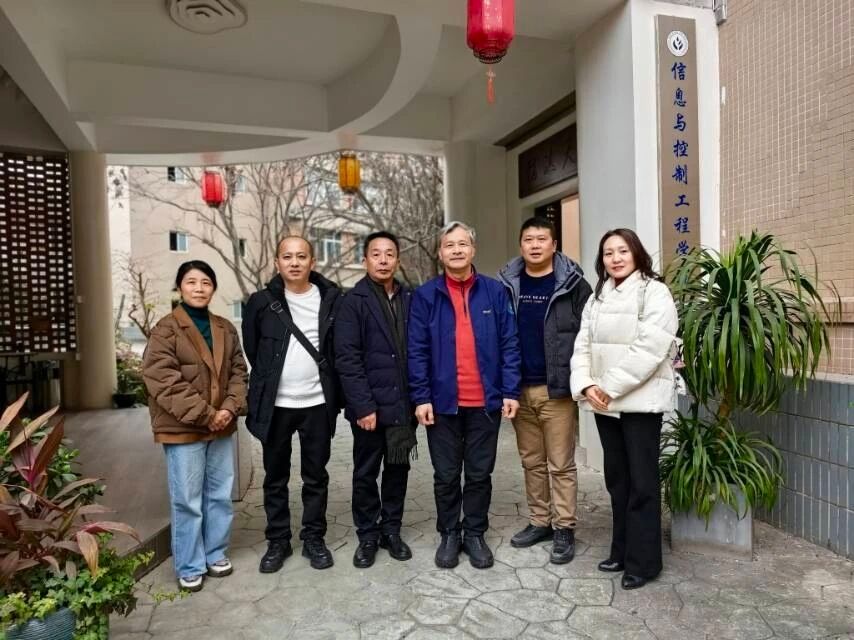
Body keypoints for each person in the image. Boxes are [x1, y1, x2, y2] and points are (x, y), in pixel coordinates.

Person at [409, 221, 521, 570]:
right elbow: (417, 350)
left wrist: (510, 390)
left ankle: (474, 533)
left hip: (485, 403)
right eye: (449, 245)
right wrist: (421, 397)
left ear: (473, 250)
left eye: (462, 244)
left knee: (478, 474)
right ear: (440, 253)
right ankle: (449, 533)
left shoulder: (495, 292)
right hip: (442, 405)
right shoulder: (426, 295)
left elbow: (510, 343)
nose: (456, 250)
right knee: (445, 475)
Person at [570, 228, 678, 590]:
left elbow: (650, 348)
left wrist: (607, 387)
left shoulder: (655, 292)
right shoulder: (598, 296)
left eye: (622, 251)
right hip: (605, 403)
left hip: (639, 404)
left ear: (637, 253)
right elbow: (582, 345)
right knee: (618, 480)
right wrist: (586, 384)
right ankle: (621, 550)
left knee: (642, 482)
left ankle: (644, 562)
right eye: (608, 253)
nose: (615, 258)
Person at [142, 260, 248, 592]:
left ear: (213, 288)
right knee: (187, 499)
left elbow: (239, 372)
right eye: (191, 282)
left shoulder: (225, 327)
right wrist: (206, 414)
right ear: (179, 287)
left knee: (219, 494)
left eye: (205, 282)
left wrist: (229, 408)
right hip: (183, 428)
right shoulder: (165, 329)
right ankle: (189, 564)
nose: (199, 288)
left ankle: (215, 553)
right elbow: (162, 379)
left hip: (221, 425)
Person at [242, 236, 342, 572]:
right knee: (275, 477)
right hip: (276, 406)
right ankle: (278, 541)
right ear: (277, 262)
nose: (294, 262)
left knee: (315, 476)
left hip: (317, 403)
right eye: (287, 256)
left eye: (301, 256)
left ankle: (314, 538)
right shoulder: (261, 302)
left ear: (313, 262)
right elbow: (254, 349)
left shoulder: (331, 299)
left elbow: (336, 348)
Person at [498, 217, 592, 564]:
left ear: (554, 245)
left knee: (561, 464)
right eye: (528, 239)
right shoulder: (506, 284)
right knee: (532, 461)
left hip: (557, 390)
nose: (535, 245)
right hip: (519, 388)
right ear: (520, 245)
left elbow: (588, 335)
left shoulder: (574, 284)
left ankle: (564, 526)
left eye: (541, 239)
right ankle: (540, 521)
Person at [334, 231, 416, 568]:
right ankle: (367, 535)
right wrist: (363, 406)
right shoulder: (353, 301)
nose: (383, 260)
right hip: (369, 409)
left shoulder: (409, 297)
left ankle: (391, 530)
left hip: (402, 406)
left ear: (398, 259)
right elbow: (347, 358)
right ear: (365, 259)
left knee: (398, 469)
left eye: (389, 254)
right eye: (376, 254)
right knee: (366, 473)